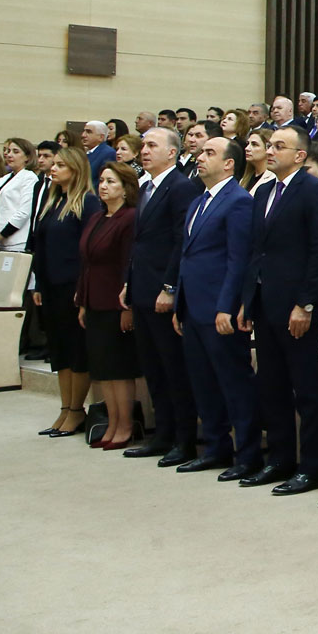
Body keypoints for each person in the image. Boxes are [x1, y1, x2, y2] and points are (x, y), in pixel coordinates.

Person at [232, 127, 318, 491]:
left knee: (306, 388)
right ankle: (279, 459)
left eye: (280, 146)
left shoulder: (315, 192)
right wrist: (248, 300)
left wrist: (305, 303)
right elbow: (255, 251)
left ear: (300, 155)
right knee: (271, 385)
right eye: (270, 145)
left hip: (297, 305)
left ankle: (312, 466)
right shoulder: (263, 192)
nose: (271, 151)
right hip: (265, 301)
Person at [166, 137, 256, 478]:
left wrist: (227, 306)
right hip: (192, 306)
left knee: (234, 383)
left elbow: (238, 260)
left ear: (229, 163)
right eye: (200, 152)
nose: (199, 158)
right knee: (203, 382)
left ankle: (246, 455)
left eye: (209, 153)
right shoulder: (198, 201)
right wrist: (179, 303)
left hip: (219, 308)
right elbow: (189, 256)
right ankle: (216, 448)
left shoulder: (238, 202)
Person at [120, 128, 199, 463]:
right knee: (152, 367)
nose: (144, 151)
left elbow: (181, 242)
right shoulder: (144, 186)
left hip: (163, 292)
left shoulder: (180, 187)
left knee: (173, 369)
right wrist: (128, 281)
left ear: (171, 153)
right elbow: (139, 243)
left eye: (152, 146)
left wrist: (170, 287)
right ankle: (161, 435)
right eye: (143, 146)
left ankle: (184, 440)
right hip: (141, 287)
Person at [28, 145, 100, 438]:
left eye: (59, 165)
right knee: (59, 350)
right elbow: (40, 247)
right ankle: (64, 407)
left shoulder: (88, 202)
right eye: (52, 164)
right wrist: (39, 284)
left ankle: (76, 410)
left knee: (75, 349)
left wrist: (82, 290)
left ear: (76, 168)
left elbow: (88, 251)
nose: (52, 169)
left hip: (73, 286)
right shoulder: (52, 201)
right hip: (51, 285)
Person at [76, 162, 140, 447]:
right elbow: (86, 263)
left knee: (119, 369)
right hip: (94, 300)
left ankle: (125, 426)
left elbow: (128, 264)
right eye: (101, 181)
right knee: (103, 370)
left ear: (126, 188)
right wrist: (82, 302)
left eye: (111, 182)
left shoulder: (129, 218)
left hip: (117, 303)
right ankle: (112, 423)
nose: (103, 186)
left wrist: (129, 308)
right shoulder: (97, 218)